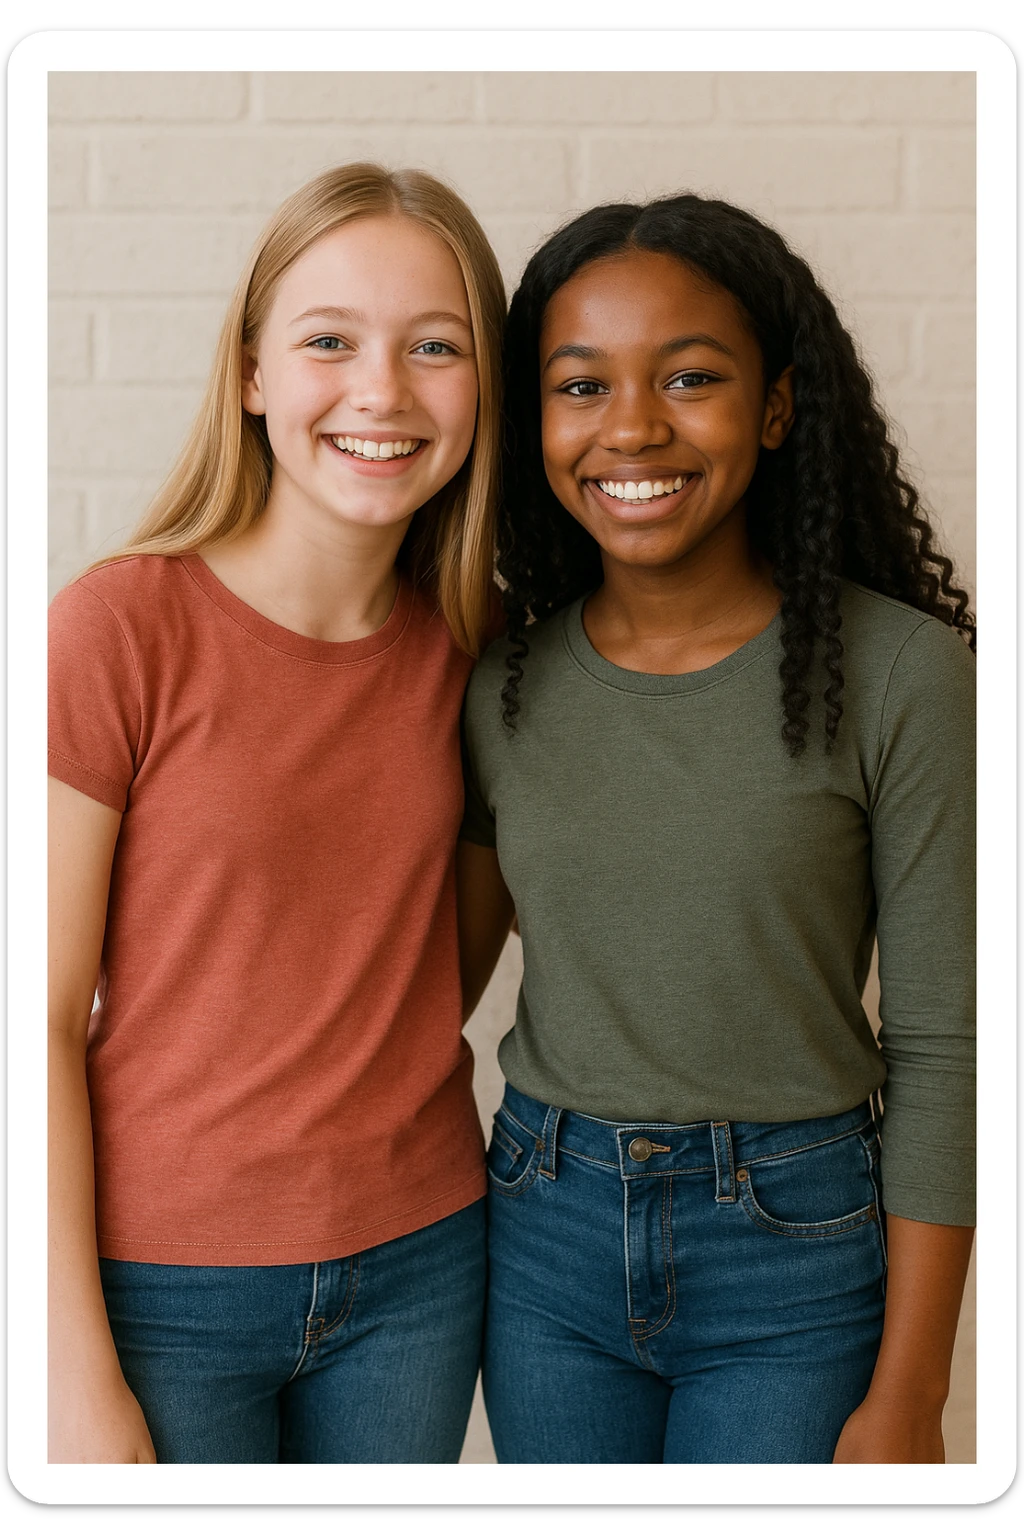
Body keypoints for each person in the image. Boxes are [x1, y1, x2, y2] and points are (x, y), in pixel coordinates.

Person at [457, 193, 976, 1464]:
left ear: (779, 407)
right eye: (580, 386)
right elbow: (423, 994)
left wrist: (911, 1393)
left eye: (690, 377)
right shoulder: (498, 685)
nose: (633, 425)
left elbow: (949, 1050)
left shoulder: (901, 676)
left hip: (793, 1250)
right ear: (534, 422)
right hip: (543, 1232)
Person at [48, 162, 506, 1465]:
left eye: (436, 347)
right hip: (160, 1286)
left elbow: (446, 963)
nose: (383, 391)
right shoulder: (117, 630)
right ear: (251, 372)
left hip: (420, 1266)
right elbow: (34, 1022)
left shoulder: (483, 653)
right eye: (329, 342)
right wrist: (73, 1376)